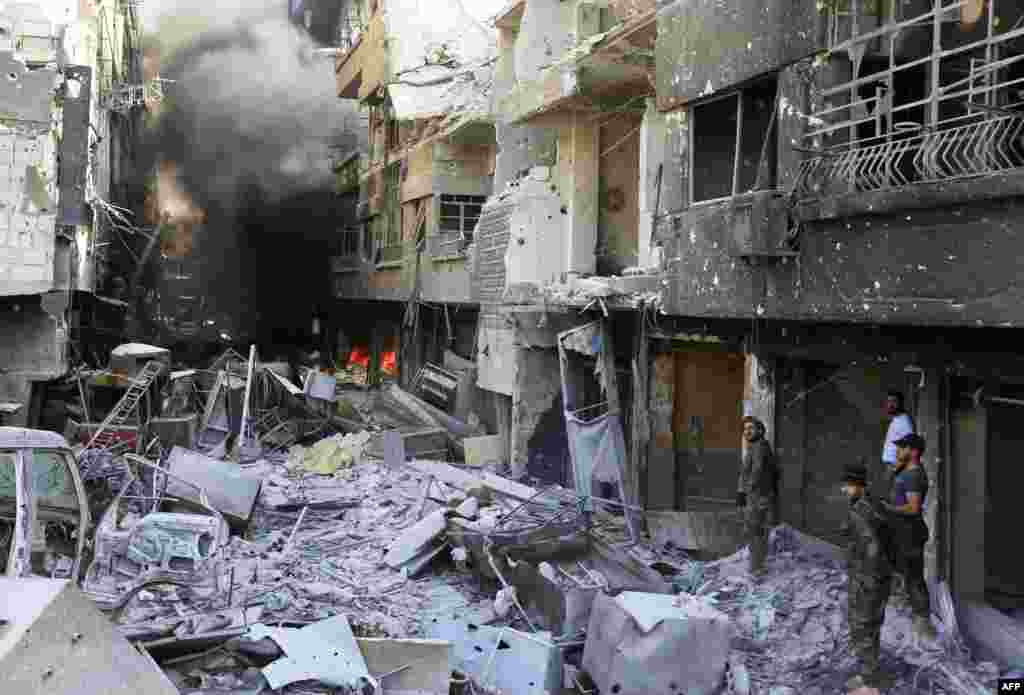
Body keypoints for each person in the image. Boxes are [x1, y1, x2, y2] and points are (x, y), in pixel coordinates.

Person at [841, 462, 893, 690]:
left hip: (867, 578)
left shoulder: (861, 511)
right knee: (871, 625)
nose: (845, 490)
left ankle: (869, 680)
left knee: (863, 625)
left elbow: (872, 547)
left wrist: (866, 580)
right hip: (880, 577)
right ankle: (870, 672)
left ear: (859, 486)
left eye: (848, 485)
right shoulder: (876, 504)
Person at [883, 432, 937, 645]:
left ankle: (923, 623)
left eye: (903, 447)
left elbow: (913, 507)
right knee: (899, 571)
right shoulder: (905, 470)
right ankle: (904, 610)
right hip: (900, 532)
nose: (898, 450)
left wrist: (889, 508)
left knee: (914, 578)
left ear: (913, 451)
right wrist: (896, 468)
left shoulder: (914, 475)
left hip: (911, 533)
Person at [736, 416, 778, 577]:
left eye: (751, 428)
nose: (747, 431)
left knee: (754, 531)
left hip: (757, 496)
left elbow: (757, 470)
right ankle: (758, 566)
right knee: (757, 531)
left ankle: (756, 568)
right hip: (758, 495)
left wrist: (745, 491)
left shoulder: (759, 446)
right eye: (745, 429)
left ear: (760, 431)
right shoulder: (755, 446)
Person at [881, 391, 915, 471]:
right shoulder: (896, 419)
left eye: (894, 401)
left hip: (895, 467)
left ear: (901, 403)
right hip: (891, 466)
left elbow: (909, 447)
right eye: (889, 401)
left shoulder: (904, 422)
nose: (890, 405)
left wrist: (896, 468)